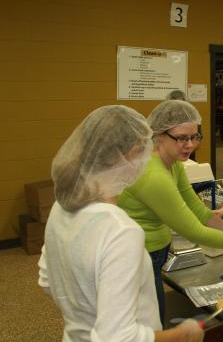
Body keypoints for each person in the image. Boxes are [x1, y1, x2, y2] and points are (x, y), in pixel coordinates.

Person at [38, 105, 203, 342]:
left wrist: (87, 311)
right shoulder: (121, 231)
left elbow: (47, 278)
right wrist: (180, 335)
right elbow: (117, 338)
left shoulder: (61, 207)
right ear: (132, 154)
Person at [117, 100, 223, 322]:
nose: (189, 145)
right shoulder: (154, 175)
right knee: (148, 322)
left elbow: (199, 211)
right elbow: (194, 231)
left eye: (194, 137)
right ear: (158, 134)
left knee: (154, 315)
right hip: (138, 255)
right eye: (181, 138)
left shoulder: (173, 163)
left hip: (153, 251)